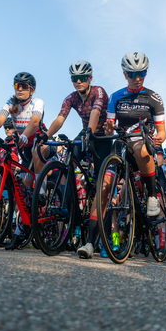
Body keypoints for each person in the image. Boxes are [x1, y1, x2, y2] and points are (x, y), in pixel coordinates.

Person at [0, 72, 55, 250]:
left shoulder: (37, 102)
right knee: (23, 194)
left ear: (32, 89)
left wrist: (25, 135)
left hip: (42, 144)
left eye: (24, 86)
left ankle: (41, 193)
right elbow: (0, 120)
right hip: (25, 148)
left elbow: (35, 121)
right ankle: (20, 233)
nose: (19, 89)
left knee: (37, 151)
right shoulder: (10, 102)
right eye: (17, 86)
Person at [42, 60, 111, 259]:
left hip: (102, 137)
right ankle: (69, 200)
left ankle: (103, 239)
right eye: (74, 79)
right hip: (86, 134)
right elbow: (60, 118)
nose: (78, 81)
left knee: (101, 188)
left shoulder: (98, 91)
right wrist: (46, 135)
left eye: (82, 78)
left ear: (90, 78)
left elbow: (96, 112)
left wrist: (89, 131)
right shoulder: (71, 97)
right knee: (69, 154)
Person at [105, 51, 166, 218]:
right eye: (132, 74)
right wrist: (109, 130)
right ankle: (92, 239)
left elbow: (162, 132)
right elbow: (109, 130)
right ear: (125, 74)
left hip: (143, 141)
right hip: (122, 143)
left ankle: (152, 196)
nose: (137, 78)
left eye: (142, 73)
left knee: (141, 148)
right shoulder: (115, 97)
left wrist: (160, 138)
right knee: (104, 185)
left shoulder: (154, 97)